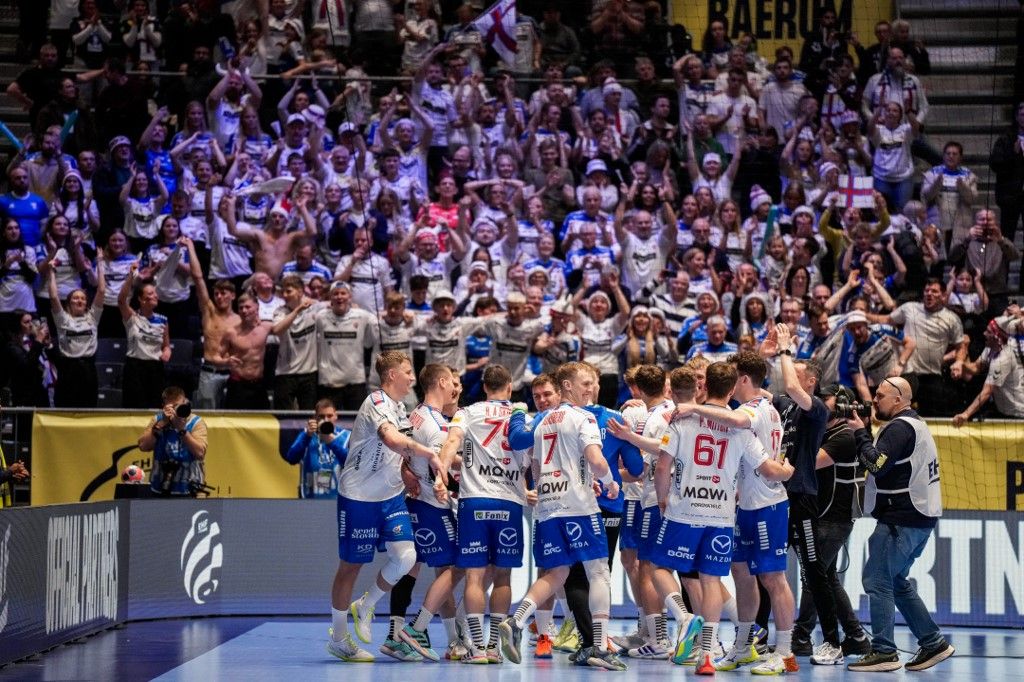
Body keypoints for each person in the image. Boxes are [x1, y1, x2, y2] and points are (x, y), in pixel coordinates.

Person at [655, 363, 794, 673]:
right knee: (713, 580)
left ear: (705, 388)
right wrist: (787, 470)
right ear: (732, 389)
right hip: (722, 514)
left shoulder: (684, 419)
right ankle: (708, 655)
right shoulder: (739, 429)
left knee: (657, 567)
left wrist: (663, 499)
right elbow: (766, 468)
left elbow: (663, 467)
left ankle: (686, 620)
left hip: (686, 511)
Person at [500, 362, 626, 671]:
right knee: (599, 572)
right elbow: (596, 460)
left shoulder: (542, 421)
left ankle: (516, 621)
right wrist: (609, 483)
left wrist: (581, 481)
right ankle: (598, 645)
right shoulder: (584, 418)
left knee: (555, 573)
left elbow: (538, 468)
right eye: (584, 382)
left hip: (548, 507)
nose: (589, 388)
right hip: (579, 508)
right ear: (566, 386)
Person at [326, 351, 445, 662]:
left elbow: (402, 453)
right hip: (359, 497)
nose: (411, 377)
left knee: (407, 557)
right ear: (391, 375)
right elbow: (393, 441)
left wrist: (413, 473)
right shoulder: (377, 403)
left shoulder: (400, 406)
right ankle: (339, 637)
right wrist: (429, 454)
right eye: (407, 371)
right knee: (350, 567)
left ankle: (366, 606)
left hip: (391, 496)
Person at [843, 377, 954, 672]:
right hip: (919, 517)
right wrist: (866, 432)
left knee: (876, 579)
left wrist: (859, 435)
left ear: (898, 399)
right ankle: (933, 642)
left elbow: (877, 465)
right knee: (895, 582)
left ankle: (883, 651)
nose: (874, 400)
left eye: (880, 395)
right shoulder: (915, 425)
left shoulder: (899, 427)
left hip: (900, 518)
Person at [765, 324, 853, 663]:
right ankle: (756, 638)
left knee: (815, 571)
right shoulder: (784, 405)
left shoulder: (816, 410)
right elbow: (749, 390)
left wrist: (785, 350)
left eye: (796, 373)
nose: (789, 376)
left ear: (810, 382)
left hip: (801, 497)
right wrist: (763, 354)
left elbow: (788, 382)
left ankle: (832, 640)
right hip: (775, 498)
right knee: (767, 570)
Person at [434, 364, 529, 663]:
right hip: (509, 502)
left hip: (474, 501)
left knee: (474, 577)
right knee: (502, 576)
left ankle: (475, 648)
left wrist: (441, 473)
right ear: (510, 387)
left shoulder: (468, 412)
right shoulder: (521, 416)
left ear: (484, 387)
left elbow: (451, 443)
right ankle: (493, 648)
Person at [389, 364, 462, 662]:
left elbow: (407, 453)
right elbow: (439, 468)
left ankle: (403, 637)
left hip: (415, 503)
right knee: (456, 566)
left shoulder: (414, 415)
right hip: (434, 505)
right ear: (442, 382)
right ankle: (416, 629)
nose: (455, 390)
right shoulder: (438, 426)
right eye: (452, 384)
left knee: (426, 569)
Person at [183, 238, 239, 409]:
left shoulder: (240, 320)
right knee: (207, 419)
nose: (219, 297)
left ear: (233, 296)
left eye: (223, 293)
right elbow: (198, 278)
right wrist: (190, 247)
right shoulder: (209, 312)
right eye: (216, 294)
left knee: (231, 420)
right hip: (209, 372)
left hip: (232, 374)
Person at [46, 254, 105, 407]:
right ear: (68, 304)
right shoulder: (63, 319)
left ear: (86, 304)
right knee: (65, 408)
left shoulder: (92, 318)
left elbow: (102, 291)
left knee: (88, 410)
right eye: (75, 298)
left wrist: (100, 263)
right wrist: (51, 271)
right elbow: (53, 296)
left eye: (83, 298)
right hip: (67, 370)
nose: (79, 300)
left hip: (88, 369)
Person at [138, 386, 208, 496]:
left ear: (185, 403)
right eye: (171, 407)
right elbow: (143, 446)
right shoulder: (158, 420)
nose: (175, 410)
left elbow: (200, 453)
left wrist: (182, 430)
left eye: (178, 406)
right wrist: (161, 424)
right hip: (159, 487)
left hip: (190, 489)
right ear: (163, 406)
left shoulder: (196, 422)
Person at [315, 281, 376, 410]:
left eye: (343, 293)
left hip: (355, 382)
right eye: (335, 294)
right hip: (329, 383)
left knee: (357, 425)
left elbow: (382, 321)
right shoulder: (320, 317)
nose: (339, 296)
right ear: (330, 298)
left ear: (350, 297)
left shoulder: (363, 316)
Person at [118, 263, 170, 409]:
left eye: (155, 293)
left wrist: (166, 352)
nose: (155, 295)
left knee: (155, 409)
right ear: (141, 299)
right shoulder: (132, 317)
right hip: (135, 368)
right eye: (150, 293)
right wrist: (131, 277)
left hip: (155, 369)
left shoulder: (163, 320)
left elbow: (166, 346)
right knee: (133, 408)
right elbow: (122, 300)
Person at [282, 398, 352, 499]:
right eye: (322, 416)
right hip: (310, 497)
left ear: (336, 416)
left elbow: (351, 463)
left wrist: (331, 442)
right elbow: (292, 458)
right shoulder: (307, 435)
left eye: (329, 416)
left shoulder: (346, 436)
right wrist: (307, 436)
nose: (326, 420)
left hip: (338, 498)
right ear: (315, 417)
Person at [220, 292, 273, 409]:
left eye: (248, 307)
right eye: (241, 308)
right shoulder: (231, 332)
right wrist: (226, 361)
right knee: (234, 424)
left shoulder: (265, 327)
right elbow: (216, 356)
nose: (244, 311)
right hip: (237, 385)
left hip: (259, 384)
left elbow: (282, 327)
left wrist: (298, 309)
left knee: (263, 423)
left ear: (257, 307)